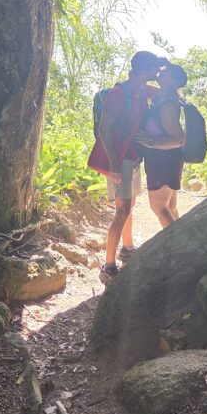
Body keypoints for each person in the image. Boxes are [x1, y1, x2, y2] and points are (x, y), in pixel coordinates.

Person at [88, 50, 167, 284]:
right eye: (154, 68)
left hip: (133, 157)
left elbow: (167, 93)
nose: (157, 72)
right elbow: (104, 128)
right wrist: (113, 162)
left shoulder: (141, 91)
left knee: (130, 204)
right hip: (119, 158)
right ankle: (108, 266)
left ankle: (128, 248)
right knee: (121, 210)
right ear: (144, 70)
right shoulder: (119, 93)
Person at [137, 63, 188, 227]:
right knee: (170, 207)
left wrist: (150, 142)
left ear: (173, 81)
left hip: (163, 161)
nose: (161, 70)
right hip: (168, 160)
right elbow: (140, 84)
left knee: (159, 207)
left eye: (167, 71)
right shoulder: (163, 97)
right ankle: (186, 245)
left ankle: (178, 249)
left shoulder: (167, 105)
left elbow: (179, 139)